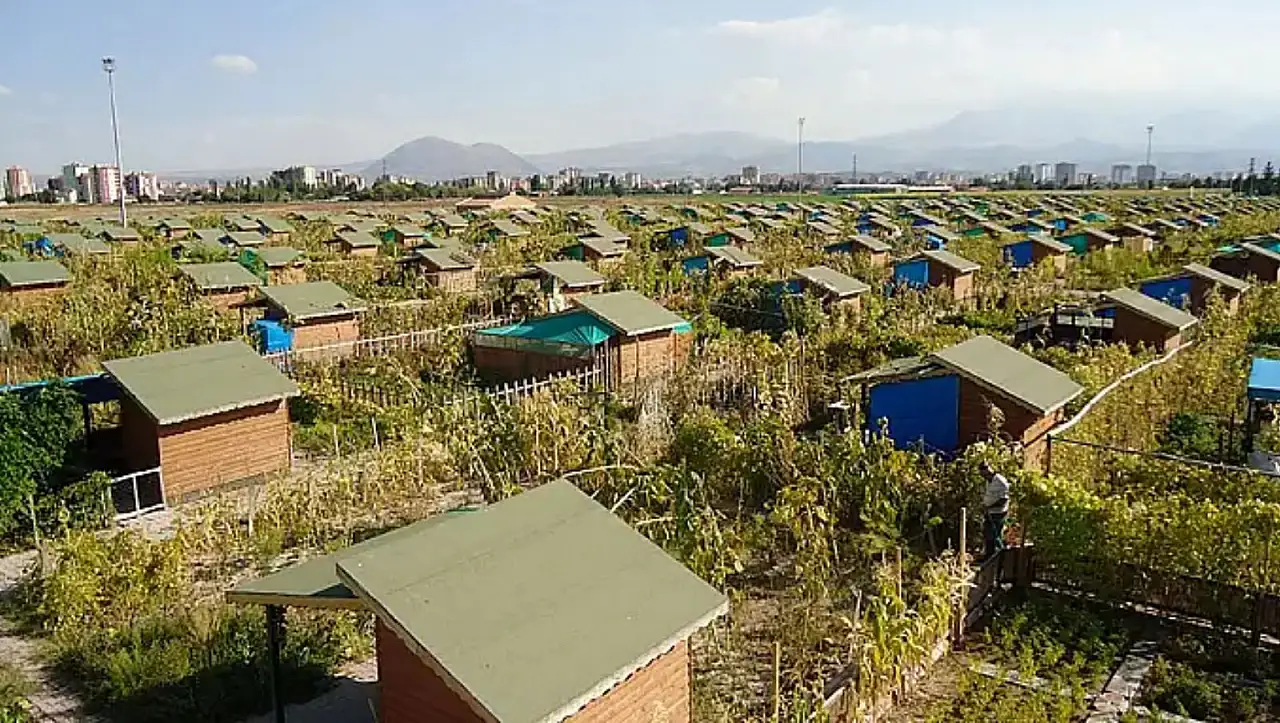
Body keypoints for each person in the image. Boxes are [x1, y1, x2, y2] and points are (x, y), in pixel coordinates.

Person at [981, 462, 1010, 560]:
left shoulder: (1000, 481)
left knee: (994, 535)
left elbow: (1003, 500)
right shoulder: (989, 481)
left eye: (984, 474)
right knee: (987, 534)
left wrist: (990, 507)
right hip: (990, 512)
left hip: (998, 513)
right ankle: (989, 556)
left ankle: (996, 556)